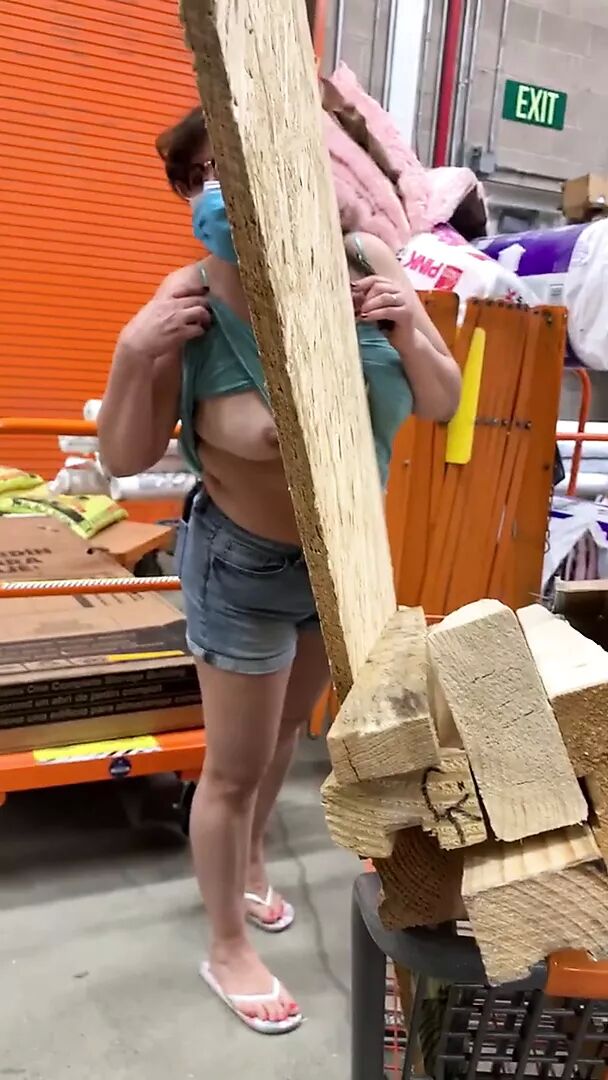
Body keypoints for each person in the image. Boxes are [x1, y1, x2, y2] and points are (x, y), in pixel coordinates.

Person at [99, 106, 461, 1035]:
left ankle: (252, 863)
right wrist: (134, 353)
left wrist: (409, 329)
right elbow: (122, 456)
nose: (224, 187)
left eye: (239, 162)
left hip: (339, 561)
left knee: (280, 745)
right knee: (232, 768)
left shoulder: (366, 262)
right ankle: (226, 946)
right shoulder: (188, 305)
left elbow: (442, 398)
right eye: (203, 174)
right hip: (242, 566)